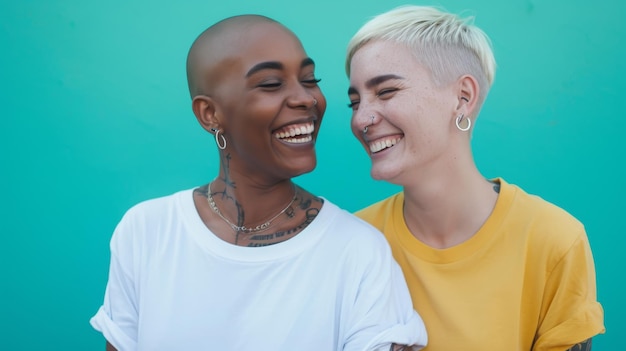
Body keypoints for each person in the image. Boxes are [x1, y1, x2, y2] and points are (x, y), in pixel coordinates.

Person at [90, 14, 428, 351]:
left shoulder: (358, 252)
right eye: (270, 83)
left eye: (310, 79)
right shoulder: (147, 232)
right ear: (210, 114)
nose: (307, 98)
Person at [345, 5, 604, 351]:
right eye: (354, 102)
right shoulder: (354, 243)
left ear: (463, 97)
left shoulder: (554, 241)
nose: (361, 119)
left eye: (386, 91)